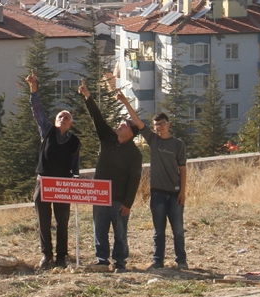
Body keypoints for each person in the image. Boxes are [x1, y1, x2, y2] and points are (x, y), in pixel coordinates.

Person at [116, 88, 188, 269]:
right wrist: (125, 102)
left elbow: (183, 169)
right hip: (157, 194)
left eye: (162, 123)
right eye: (156, 125)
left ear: (168, 124)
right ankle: (158, 261)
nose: (159, 127)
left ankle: (181, 260)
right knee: (158, 231)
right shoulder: (153, 140)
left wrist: (183, 192)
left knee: (178, 230)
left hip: (175, 194)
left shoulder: (178, 144)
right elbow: (138, 122)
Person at [78, 77, 143, 272]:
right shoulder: (107, 139)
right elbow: (97, 118)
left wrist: (128, 203)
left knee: (120, 233)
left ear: (130, 133)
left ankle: (120, 262)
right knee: (100, 230)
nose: (120, 125)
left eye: (124, 125)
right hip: (100, 196)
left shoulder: (134, 153)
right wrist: (87, 96)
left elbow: (135, 179)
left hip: (119, 200)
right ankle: (102, 260)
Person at [27, 70, 80, 269]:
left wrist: (74, 183)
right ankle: (46, 255)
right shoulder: (47, 131)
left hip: (63, 185)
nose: (62, 119)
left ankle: (61, 257)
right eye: (60, 116)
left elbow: (75, 165)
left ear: (71, 123)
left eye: (66, 117)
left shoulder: (74, 141)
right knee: (44, 221)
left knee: (62, 222)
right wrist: (34, 88)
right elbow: (37, 110)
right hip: (44, 182)